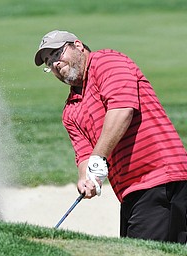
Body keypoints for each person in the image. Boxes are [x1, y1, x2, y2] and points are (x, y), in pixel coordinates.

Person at [34, 30, 187, 244]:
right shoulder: (70, 111)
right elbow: (84, 154)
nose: (55, 65)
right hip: (130, 192)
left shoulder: (107, 62)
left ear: (78, 45)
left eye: (57, 54)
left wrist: (99, 157)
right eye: (48, 63)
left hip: (161, 179)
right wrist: (86, 179)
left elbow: (122, 109)